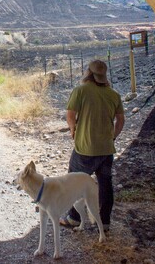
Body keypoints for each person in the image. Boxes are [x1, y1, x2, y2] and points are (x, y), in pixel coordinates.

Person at [60, 59, 125, 232]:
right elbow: (120, 121)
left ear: (88, 73)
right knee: (105, 184)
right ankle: (104, 223)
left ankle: (73, 218)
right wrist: (113, 137)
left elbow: (70, 114)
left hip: (85, 149)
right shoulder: (114, 94)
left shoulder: (81, 90)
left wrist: (73, 130)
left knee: (74, 182)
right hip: (106, 149)